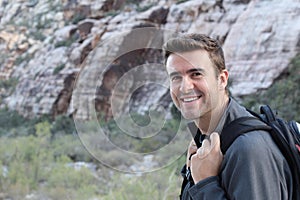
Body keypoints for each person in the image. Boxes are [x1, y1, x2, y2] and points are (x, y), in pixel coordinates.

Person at [162, 33, 293, 199]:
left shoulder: (248, 149)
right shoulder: (207, 142)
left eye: (196, 74)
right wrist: (191, 176)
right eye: (176, 77)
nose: (185, 87)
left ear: (222, 79)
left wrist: (206, 184)